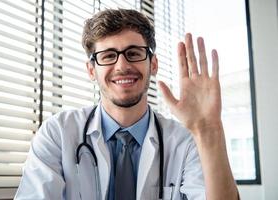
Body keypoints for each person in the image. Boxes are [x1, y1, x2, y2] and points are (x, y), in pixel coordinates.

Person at [15, 8, 239, 200]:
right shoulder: (58, 133)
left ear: (153, 64)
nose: (122, 65)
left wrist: (209, 130)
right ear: (92, 70)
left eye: (133, 53)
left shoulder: (186, 141)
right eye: (108, 55)